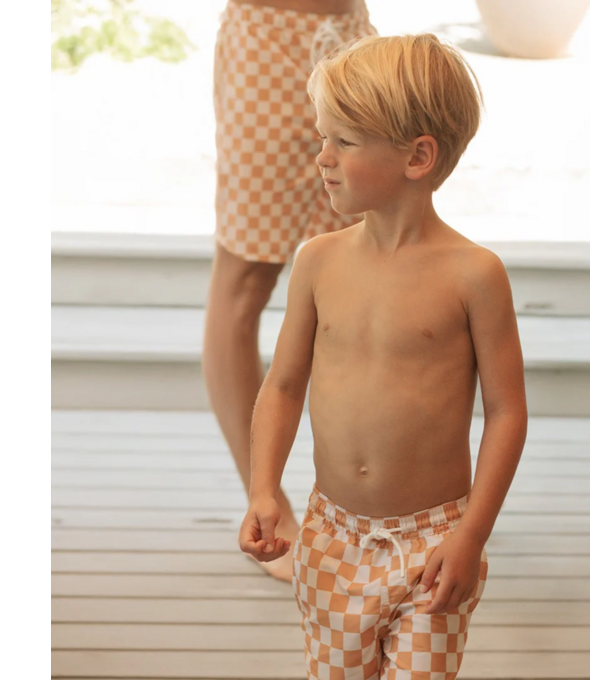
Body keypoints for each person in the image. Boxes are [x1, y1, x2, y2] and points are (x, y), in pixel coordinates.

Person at [239, 33, 529, 677]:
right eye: (323, 138)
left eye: (342, 141)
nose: (322, 158)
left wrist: (471, 535)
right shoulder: (318, 261)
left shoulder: (474, 275)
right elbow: (283, 386)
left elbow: (507, 412)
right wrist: (264, 489)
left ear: (417, 156)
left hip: (435, 540)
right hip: (330, 536)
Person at [203, 0, 377, 583]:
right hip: (265, 41)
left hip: (350, 37)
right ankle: (269, 507)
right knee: (246, 275)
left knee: (373, 267)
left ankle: (371, 502)